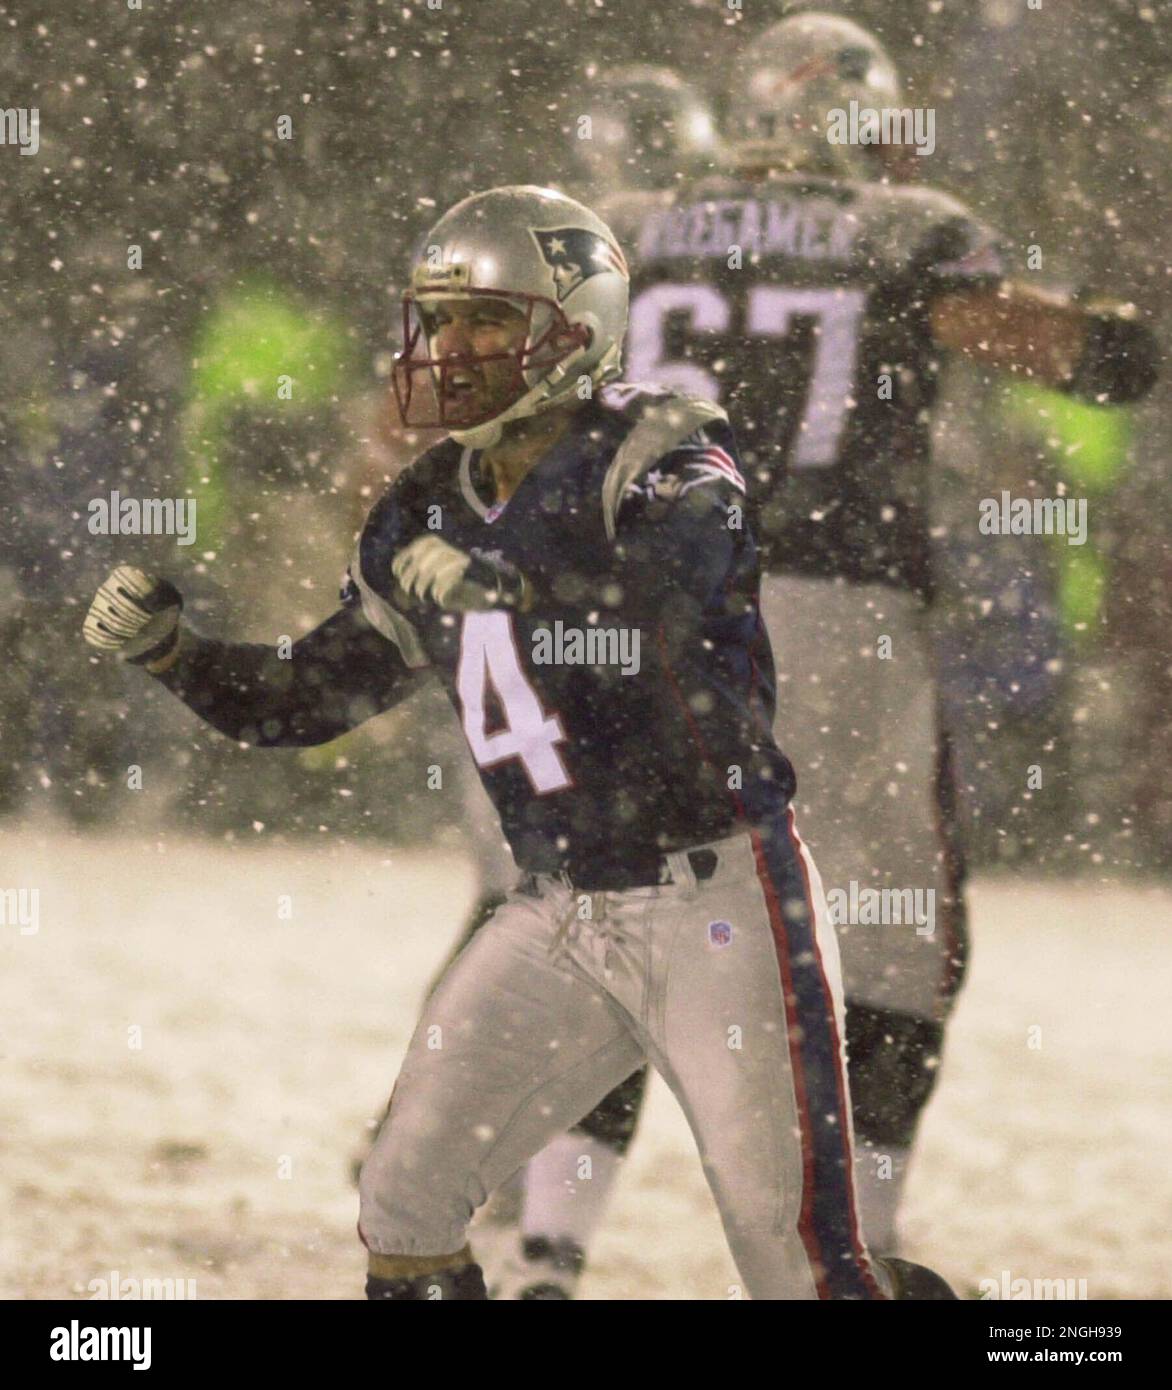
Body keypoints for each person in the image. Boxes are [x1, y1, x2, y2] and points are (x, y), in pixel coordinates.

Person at [83, 183, 955, 1301]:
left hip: (718, 903)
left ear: (573, 327)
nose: (451, 348)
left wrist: (514, 588)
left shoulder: (664, 448)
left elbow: (660, 606)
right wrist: (177, 654)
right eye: (438, 321)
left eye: (486, 320)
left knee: (793, 1265)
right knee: (401, 1205)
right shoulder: (423, 506)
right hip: (557, 907)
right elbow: (305, 699)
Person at [473, 14, 1160, 1296]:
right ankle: (856, 1250)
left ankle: (548, 1248)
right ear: (866, 118)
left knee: (611, 917)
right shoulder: (900, 227)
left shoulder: (628, 222)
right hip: (828, 601)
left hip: (627, 610)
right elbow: (1027, 338)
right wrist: (1108, 344)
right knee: (895, 939)